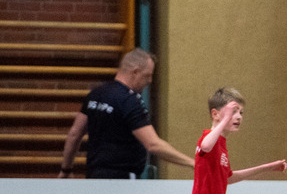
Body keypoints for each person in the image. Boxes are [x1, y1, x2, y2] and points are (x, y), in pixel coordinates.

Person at [59, 48, 194, 178]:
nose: (149, 81)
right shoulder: (129, 102)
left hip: (95, 176)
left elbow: (75, 134)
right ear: (135, 72)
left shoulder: (96, 94)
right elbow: (153, 144)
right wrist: (191, 163)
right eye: (147, 76)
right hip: (122, 181)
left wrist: (66, 169)